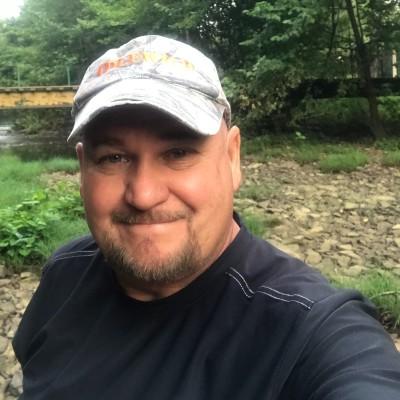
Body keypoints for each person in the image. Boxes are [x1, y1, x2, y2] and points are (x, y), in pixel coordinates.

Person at [13, 35, 400, 400]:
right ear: (83, 169)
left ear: (232, 158)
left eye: (178, 153)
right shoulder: (65, 273)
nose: (144, 195)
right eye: (113, 158)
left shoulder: (310, 332)